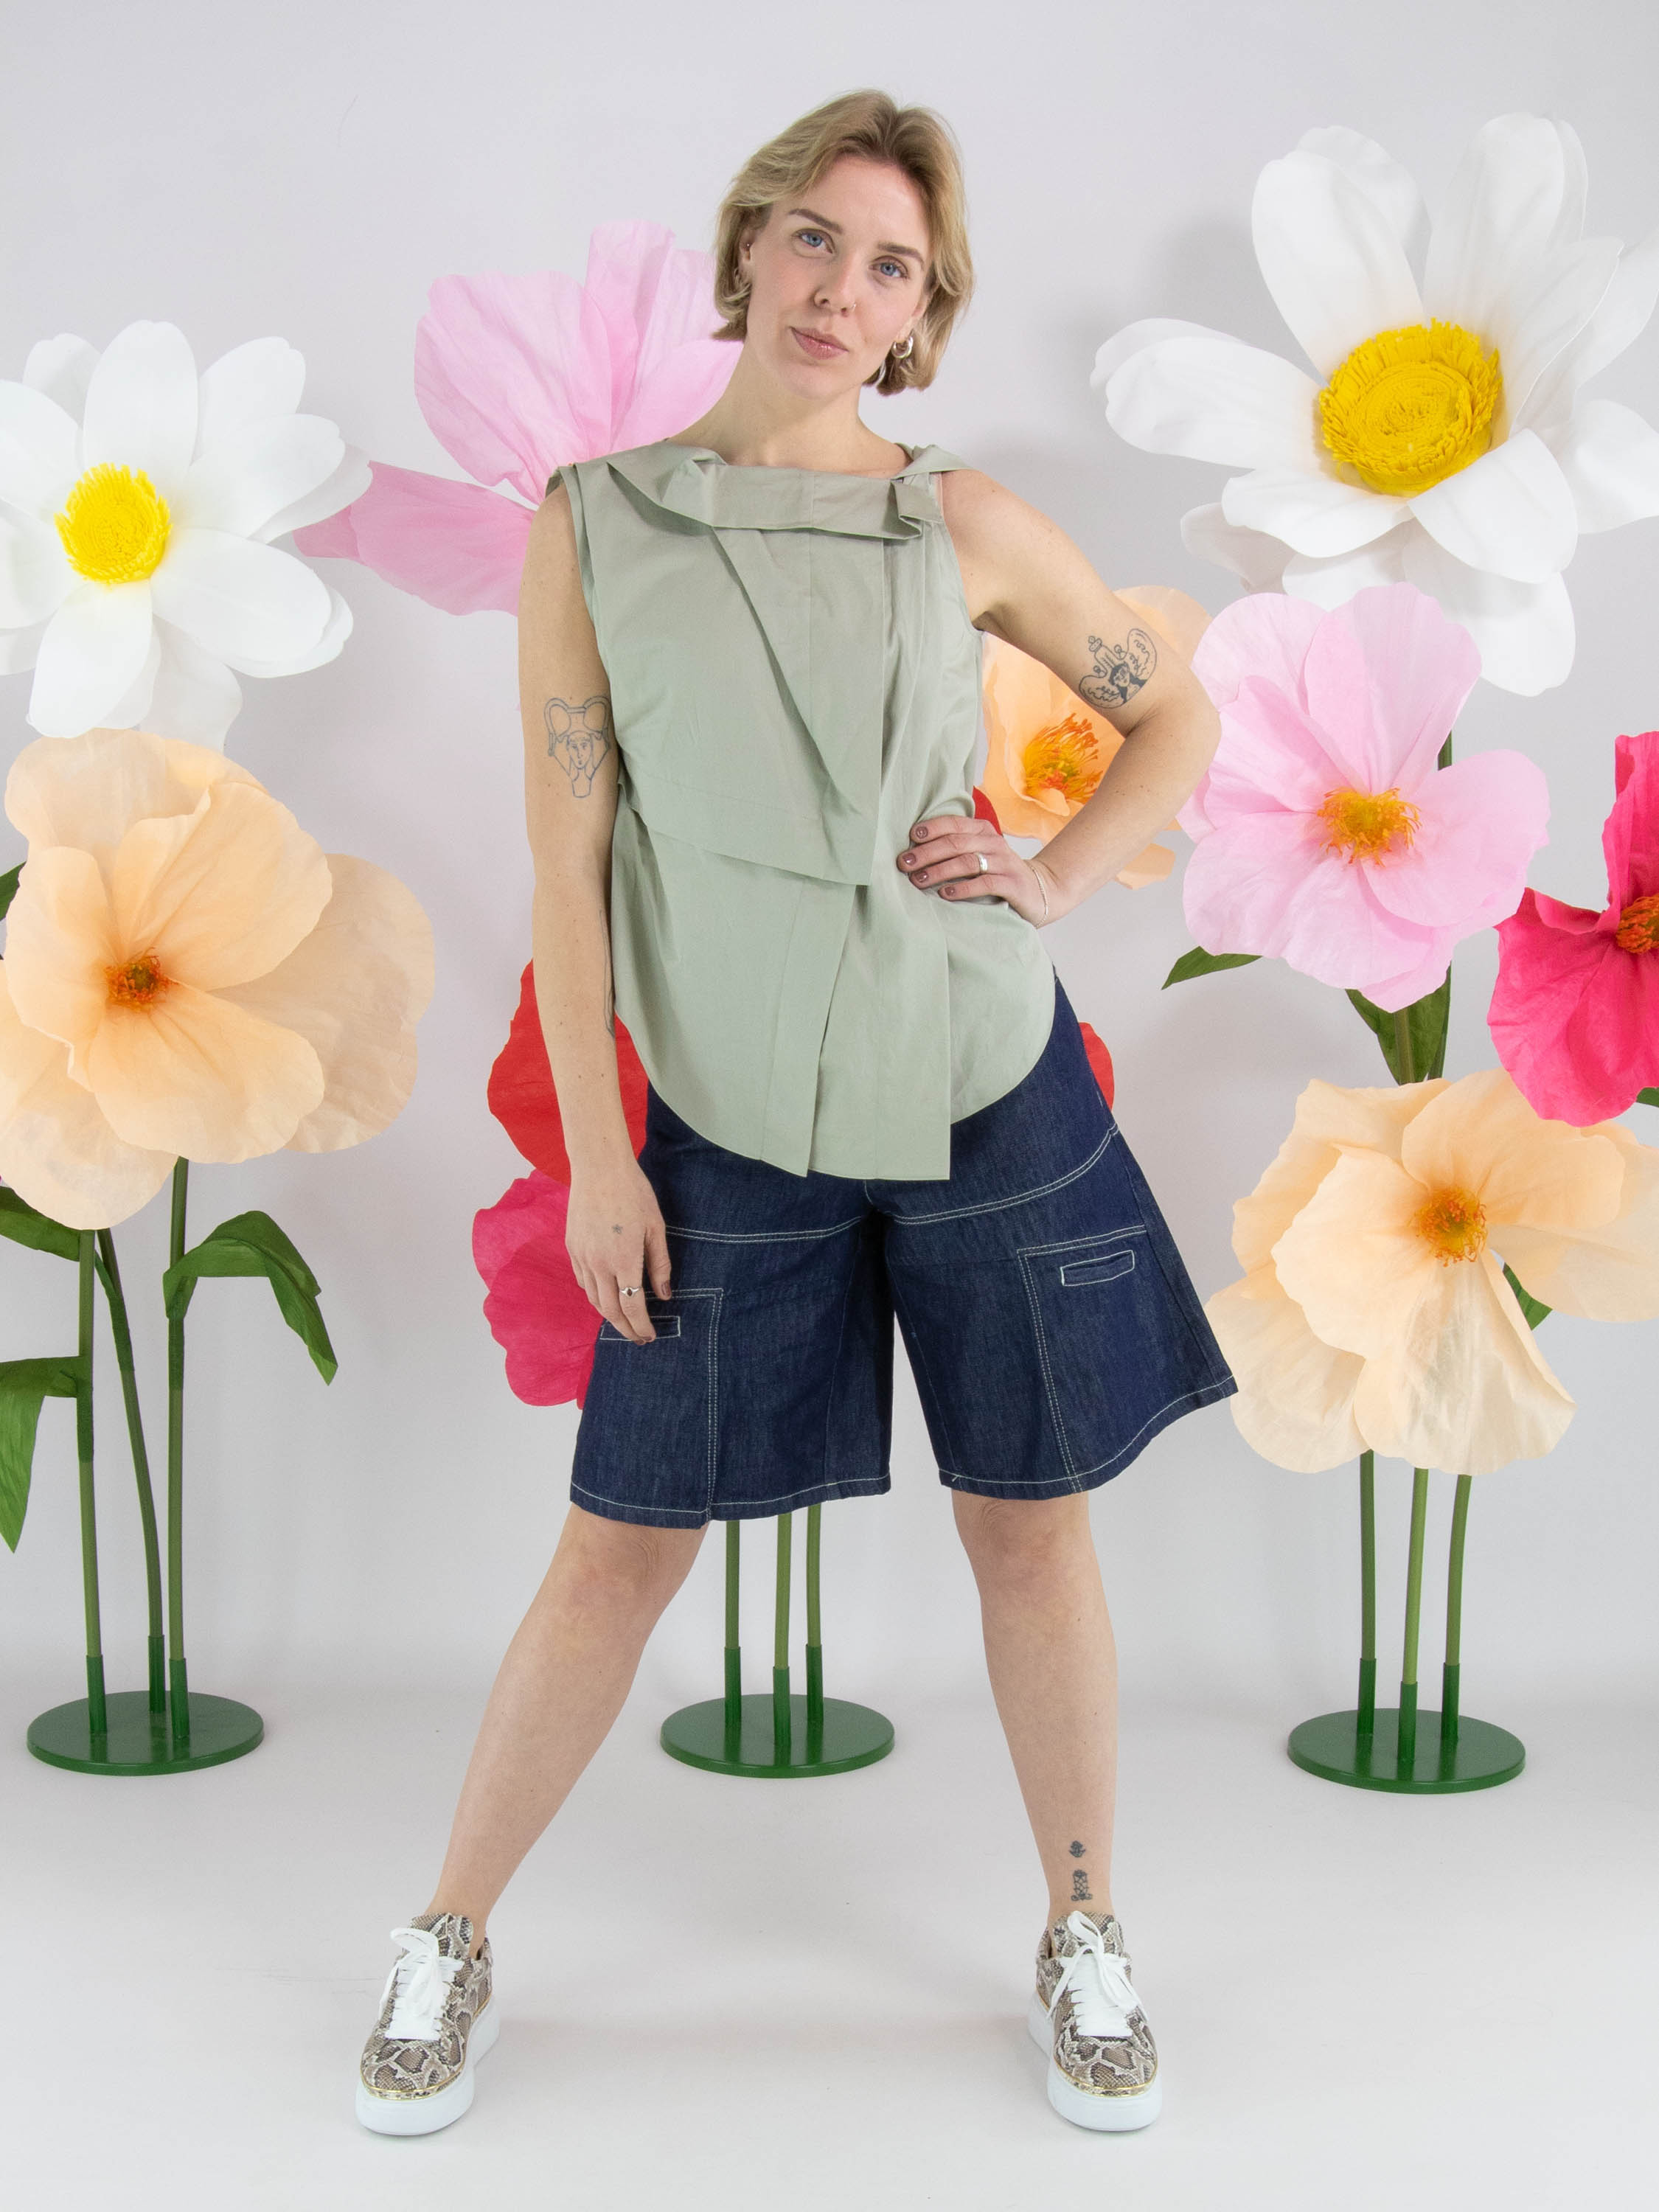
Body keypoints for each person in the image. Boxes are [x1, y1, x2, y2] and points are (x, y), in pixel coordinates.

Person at [356, 87, 1233, 2140]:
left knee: (1028, 1523)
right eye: (818, 240)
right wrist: (599, 1156)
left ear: (926, 316)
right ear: (749, 246)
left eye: (893, 267)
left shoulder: (962, 521)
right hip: (730, 1103)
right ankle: (449, 1934)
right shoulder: (593, 519)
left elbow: (1173, 710)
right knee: (620, 1544)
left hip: (985, 1079)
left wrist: (1056, 877)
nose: (845, 289)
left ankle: (1084, 1931)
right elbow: (568, 861)